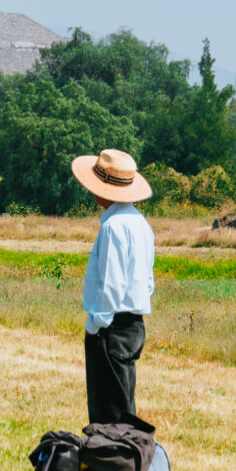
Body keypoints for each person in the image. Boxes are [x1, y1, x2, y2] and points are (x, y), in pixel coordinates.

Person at [71, 149, 155, 424]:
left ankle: (114, 462)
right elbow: (148, 282)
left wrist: (95, 325)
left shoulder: (113, 227)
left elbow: (112, 285)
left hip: (111, 328)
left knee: (108, 414)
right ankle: (126, 462)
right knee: (123, 405)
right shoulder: (141, 224)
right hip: (133, 325)